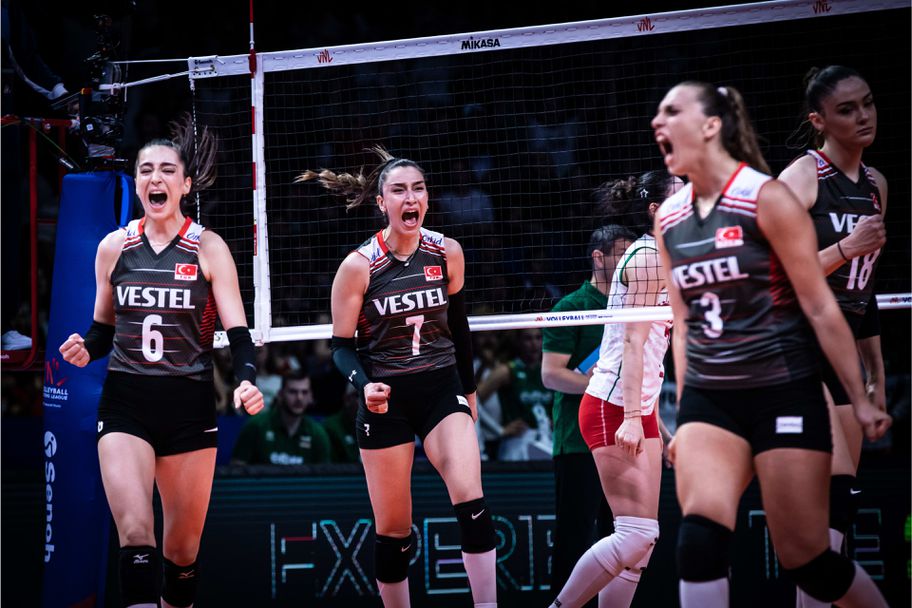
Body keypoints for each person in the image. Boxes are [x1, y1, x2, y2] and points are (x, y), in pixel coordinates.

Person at [650, 81, 890, 608]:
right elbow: (684, 323)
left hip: (783, 390)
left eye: (672, 111)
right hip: (712, 397)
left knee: (808, 560)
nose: (657, 122)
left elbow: (821, 306)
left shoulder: (767, 197)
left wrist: (862, 396)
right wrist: (686, 413)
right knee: (697, 545)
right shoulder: (669, 218)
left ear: (711, 126)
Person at [58, 116, 264, 608]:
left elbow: (238, 334)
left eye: (168, 170)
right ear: (136, 182)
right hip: (126, 404)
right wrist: (86, 346)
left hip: (189, 407)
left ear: (186, 184)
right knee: (135, 533)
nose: (156, 178)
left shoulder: (207, 247)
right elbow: (103, 329)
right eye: (146, 170)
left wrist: (247, 379)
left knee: (181, 554)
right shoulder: (114, 247)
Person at [299, 145, 497, 608]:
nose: (411, 198)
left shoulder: (446, 252)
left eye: (418, 189)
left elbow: (460, 327)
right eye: (400, 190)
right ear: (381, 202)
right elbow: (340, 347)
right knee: (394, 532)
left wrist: (469, 394)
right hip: (385, 400)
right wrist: (363, 386)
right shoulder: (359, 266)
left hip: (441, 388)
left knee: (472, 503)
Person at [778, 66, 888, 608]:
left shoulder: (876, 185)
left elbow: (865, 292)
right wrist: (846, 248)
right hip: (794, 342)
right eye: (847, 109)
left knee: (840, 504)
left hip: (844, 349)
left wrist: (876, 378)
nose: (863, 116)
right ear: (818, 120)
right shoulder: (803, 177)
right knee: (832, 486)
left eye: (867, 103)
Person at [548, 172, 681, 608]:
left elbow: (653, 353)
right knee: (636, 533)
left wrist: (659, 426)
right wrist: (632, 418)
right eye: (681, 195)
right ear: (656, 210)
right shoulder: (647, 259)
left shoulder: (666, 255)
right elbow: (631, 344)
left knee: (642, 545)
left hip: (638, 406)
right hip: (612, 406)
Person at [541, 223, 634, 603]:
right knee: (574, 540)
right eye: (622, 255)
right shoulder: (570, 308)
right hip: (578, 443)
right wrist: (601, 384)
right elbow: (551, 375)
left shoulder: (635, 303)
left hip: (624, 439)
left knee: (625, 538)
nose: (630, 263)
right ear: (598, 257)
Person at [478, 328, 554, 461]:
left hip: (547, 440)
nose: (534, 344)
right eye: (528, 338)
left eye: (538, 338)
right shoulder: (507, 370)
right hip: (517, 443)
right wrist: (498, 430)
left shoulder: (551, 371)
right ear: (518, 342)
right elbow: (473, 401)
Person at [231, 369, 331, 465]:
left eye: (304, 392)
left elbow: (325, 474)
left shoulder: (317, 433)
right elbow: (237, 467)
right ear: (280, 394)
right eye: (293, 392)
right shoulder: (256, 426)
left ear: (310, 396)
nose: (299, 398)